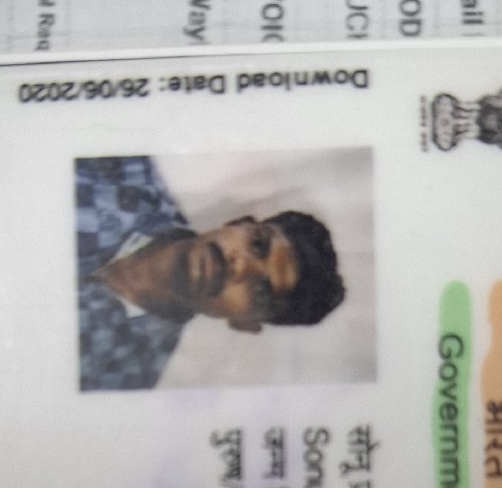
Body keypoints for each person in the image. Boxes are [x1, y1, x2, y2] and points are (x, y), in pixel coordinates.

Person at [76, 155, 346, 390]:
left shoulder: (126, 372)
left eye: (260, 291)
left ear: (244, 324)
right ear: (238, 222)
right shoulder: (121, 172)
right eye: (257, 244)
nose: (239, 266)